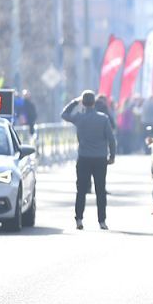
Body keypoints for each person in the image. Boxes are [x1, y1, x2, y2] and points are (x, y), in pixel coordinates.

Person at [61, 90, 117, 231]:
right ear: (94, 102)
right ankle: (102, 221)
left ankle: (79, 219)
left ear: (83, 103)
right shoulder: (103, 118)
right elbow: (111, 139)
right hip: (100, 159)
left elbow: (64, 114)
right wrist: (112, 156)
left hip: (84, 158)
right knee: (100, 191)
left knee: (81, 190)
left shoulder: (79, 118)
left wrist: (75, 101)